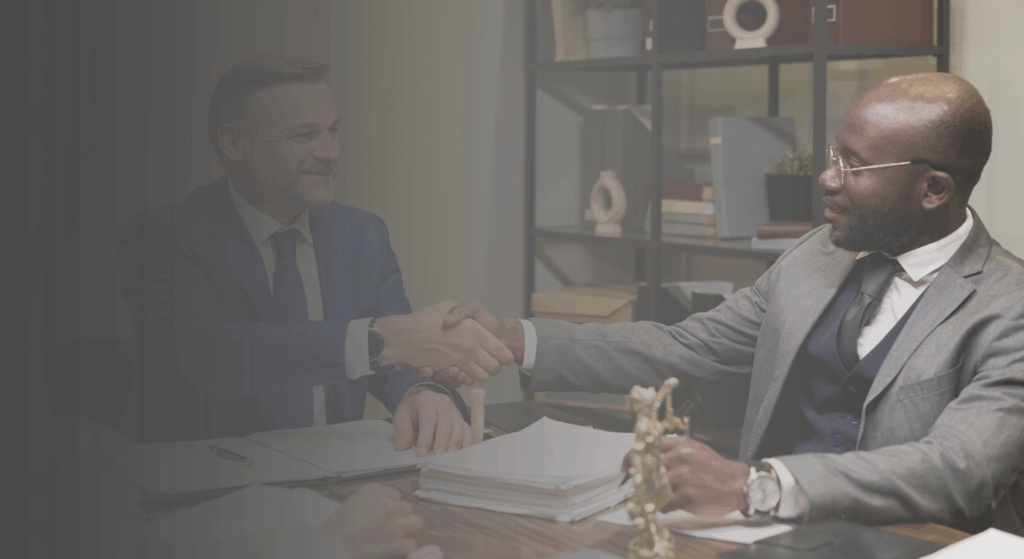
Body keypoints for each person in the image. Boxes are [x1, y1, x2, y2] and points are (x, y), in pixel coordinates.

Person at [431, 73, 1024, 534]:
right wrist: (515, 338)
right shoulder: (816, 254)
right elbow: (687, 345)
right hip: (765, 538)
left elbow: (960, 468)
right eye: (834, 154)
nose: (828, 178)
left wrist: (755, 485)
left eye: (856, 166)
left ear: (933, 189)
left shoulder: (1009, 306)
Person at [116, 55, 513, 454]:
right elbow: (214, 356)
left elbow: (399, 364)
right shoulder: (164, 236)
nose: (330, 152)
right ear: (234, 142)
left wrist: (423, 392)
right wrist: (385, 338)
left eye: (332, 131)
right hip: (205, 481)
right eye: (304, 135)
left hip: (336, 476)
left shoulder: (363, 234)